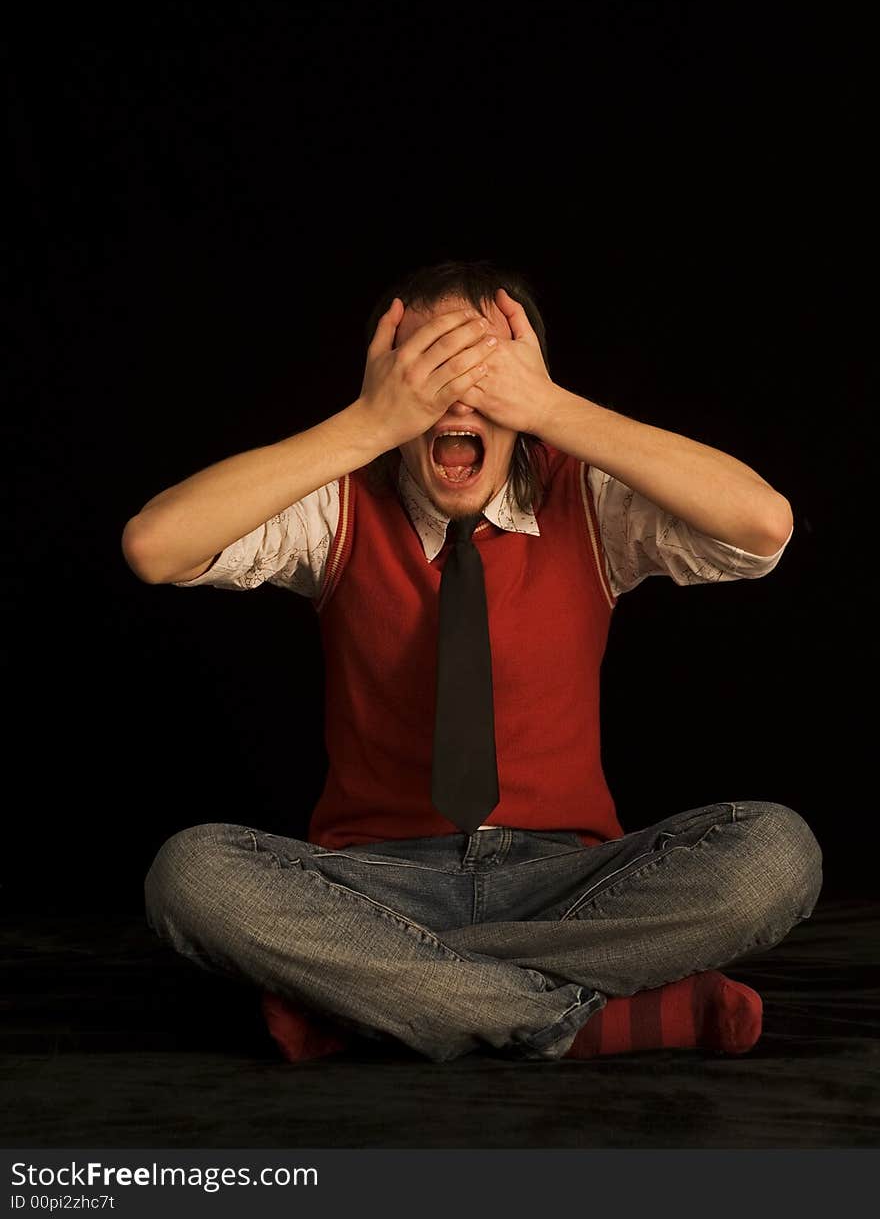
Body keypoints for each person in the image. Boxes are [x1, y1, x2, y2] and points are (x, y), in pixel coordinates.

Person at [123, 258, 822, 1065]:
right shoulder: (340, 501)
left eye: (484, 369)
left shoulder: (586, 498)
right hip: (376, 887)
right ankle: (574, 1019)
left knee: (777, 850)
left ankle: (377, 1001)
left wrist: (551, 408)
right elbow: (153, 545)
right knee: (190, 874)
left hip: (568, 884)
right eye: (429, 371)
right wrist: (369, 423)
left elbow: (762, 525)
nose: (456, 397)